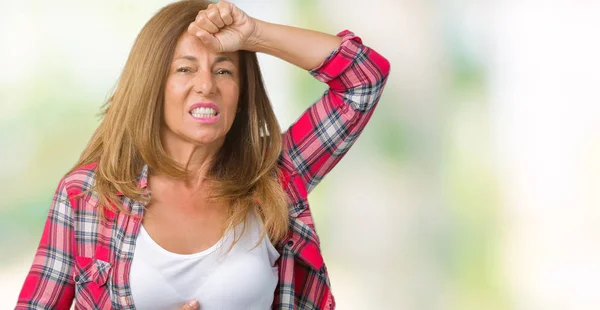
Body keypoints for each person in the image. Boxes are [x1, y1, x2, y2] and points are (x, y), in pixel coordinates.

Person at [15, 0, 390, 309]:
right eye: (185, 69)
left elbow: (364, 78)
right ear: (151, 85)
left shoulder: (277, 177)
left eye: (224, 70)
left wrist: (254, 35)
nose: (207, 85)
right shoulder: (87, 196)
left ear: (241, 93)